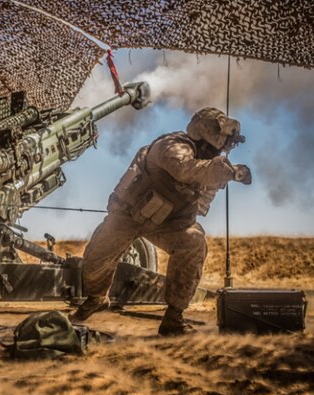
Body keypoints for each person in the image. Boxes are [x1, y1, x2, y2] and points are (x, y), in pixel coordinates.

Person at [69, 107, 251, 336]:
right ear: (204, 132)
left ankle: (174, 319)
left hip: (167, 223)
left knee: (194, 242)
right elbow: (183, 169)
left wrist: (217, 178)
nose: (224, 148)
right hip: (129, 215)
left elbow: (202, 204)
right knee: (95, 262)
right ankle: (96, 299)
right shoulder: (173, 145)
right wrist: (219, 171)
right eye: (222, 141)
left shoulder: (212, 167)